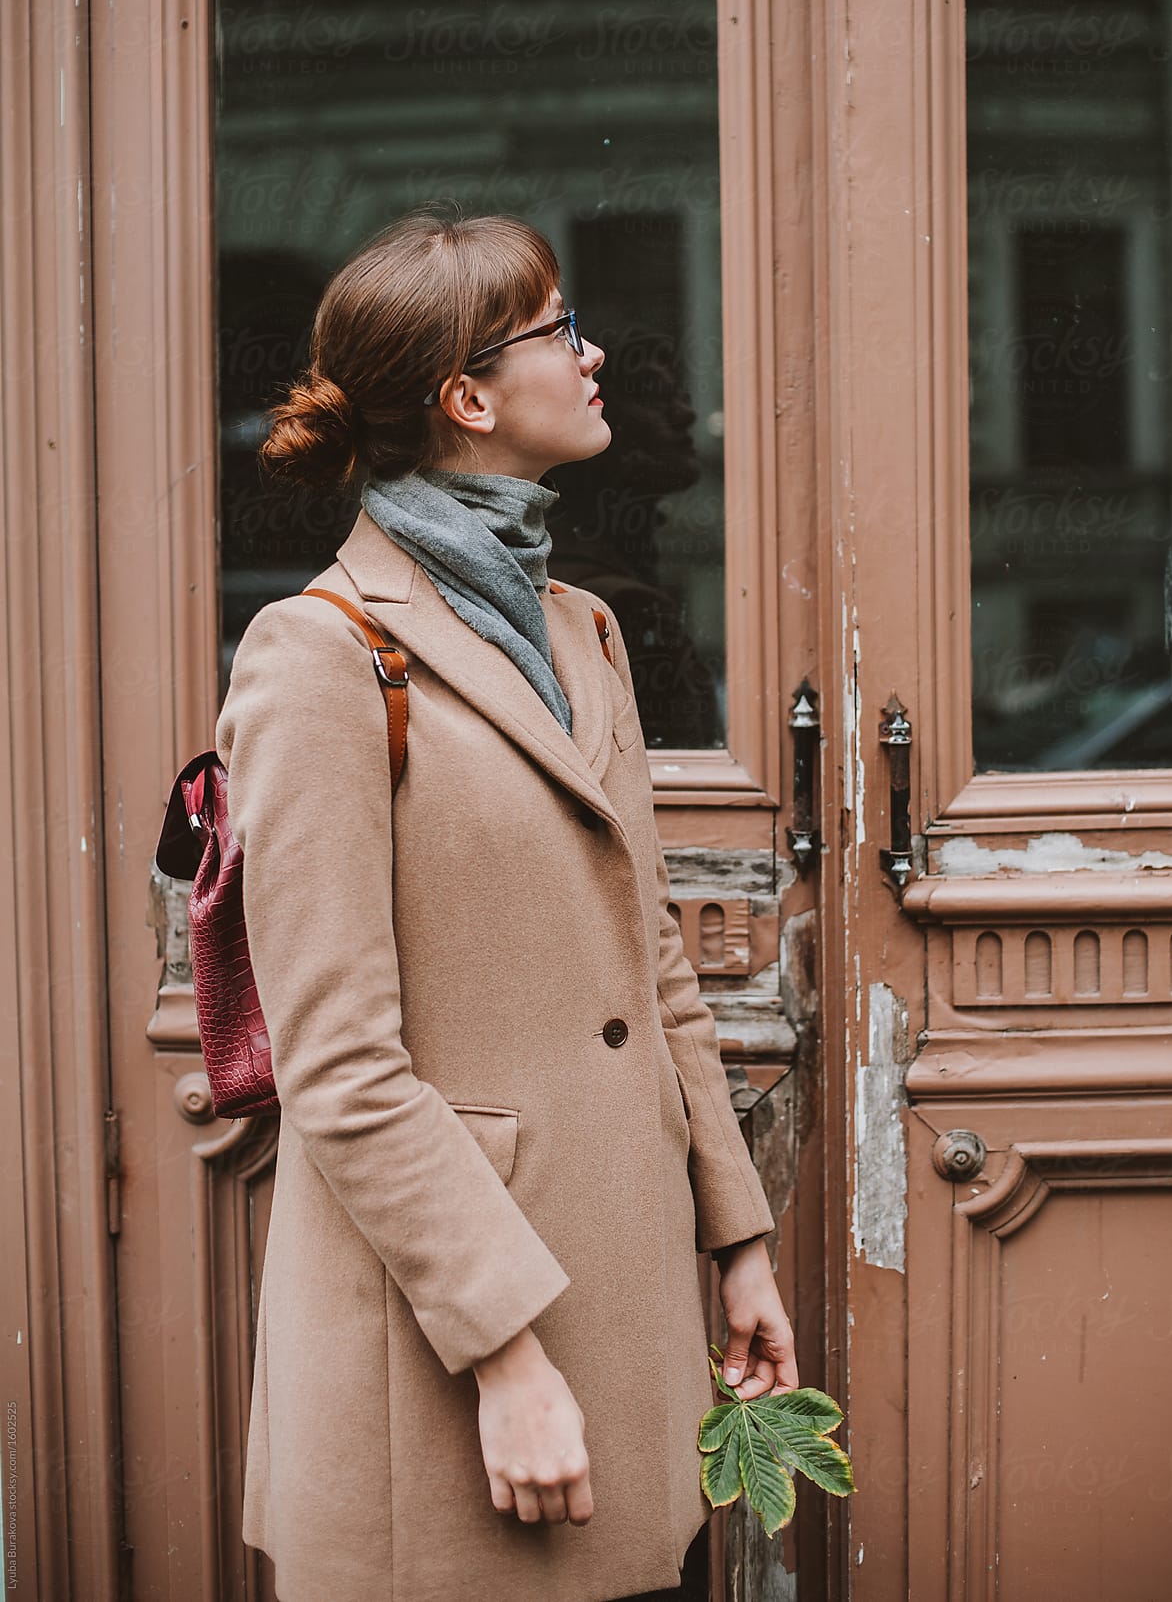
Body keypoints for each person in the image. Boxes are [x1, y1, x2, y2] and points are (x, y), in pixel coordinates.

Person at [215, 209, 798, 1602]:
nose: (593, 356)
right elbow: (344, 1065)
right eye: (559, 331)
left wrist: (739, 1239)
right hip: (452, 1347)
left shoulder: (581, 629)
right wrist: (507, 1358)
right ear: (468, 397)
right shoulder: (316, 655)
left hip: (629, 1297)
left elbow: (650, 962)